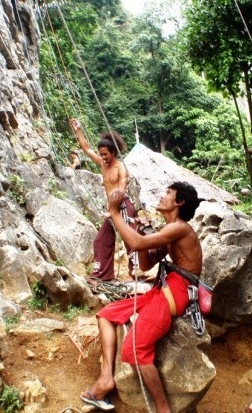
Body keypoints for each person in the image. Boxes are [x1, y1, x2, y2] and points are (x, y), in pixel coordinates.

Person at [81, 182, 203, 412]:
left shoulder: (180, 228)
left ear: (179, 202)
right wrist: (139, 231)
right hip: (165, 289)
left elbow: (136, 244)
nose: (162, 195)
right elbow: (146, 262)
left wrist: (115, 212)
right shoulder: (170, 232)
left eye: (168, 193)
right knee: (106, 314)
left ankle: (163, 408)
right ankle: (106, 378)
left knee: (135, 349)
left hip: (175, 292)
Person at [69, 118, 138, 281]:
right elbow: (86, 148)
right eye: (101, 154)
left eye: (105, 154)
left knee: (131, 240)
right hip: (111, 209)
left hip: (123, 207)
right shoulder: (102, 163)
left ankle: (137, 272)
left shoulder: (121, 168)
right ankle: (102, 275)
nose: (103, 157)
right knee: (101, 240)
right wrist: (78, 130)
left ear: (113, 152)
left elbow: (121, 189)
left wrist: (112, 210)